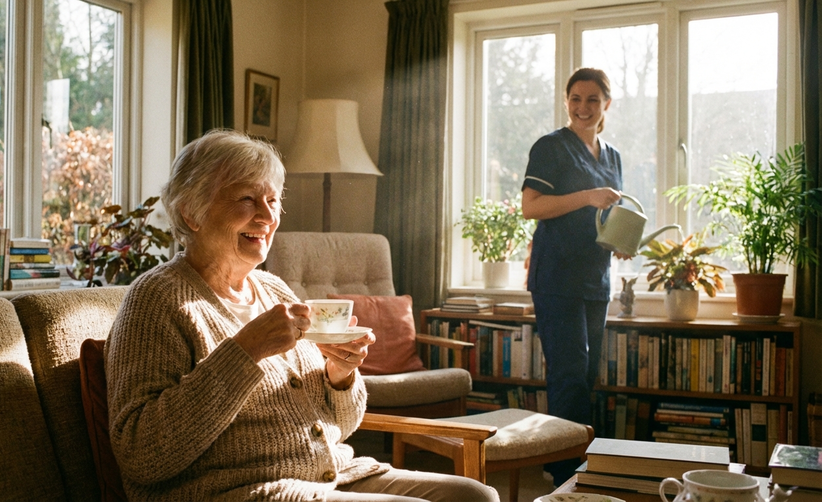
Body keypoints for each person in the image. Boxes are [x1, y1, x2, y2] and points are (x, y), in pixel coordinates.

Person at [104, 129, 499, 502]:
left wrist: (340, 376)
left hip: (334, 474)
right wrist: (245, 351)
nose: (267, 216)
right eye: (247, 199)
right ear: (192, 212)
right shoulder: (157, 299)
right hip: (243, 490)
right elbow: (141, 454)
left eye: (273, 200)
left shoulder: (274, 290)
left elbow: (342, 426)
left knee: (474, 496)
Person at [520, 68, 626, 485]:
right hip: (556, 277)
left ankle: (575, 462)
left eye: (592, 99)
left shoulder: (613, 156)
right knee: (568, 373)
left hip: (595, 279)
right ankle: (567, 472)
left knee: (586, 375)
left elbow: (607, 216)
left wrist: (621, 239)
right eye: (576, 99)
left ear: (606, 104)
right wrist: (586, 197)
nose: (583, 107)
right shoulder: (550, 147)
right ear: (566, 101)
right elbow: (531, 206)